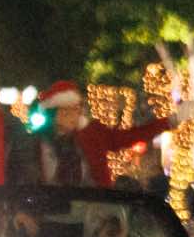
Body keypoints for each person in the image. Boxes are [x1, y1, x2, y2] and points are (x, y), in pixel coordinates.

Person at [33, 80, 171, 187]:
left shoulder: (92, 134)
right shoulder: (37, 142)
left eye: (76, 109)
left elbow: (129, 136)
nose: (73, 114)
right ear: (53, 114)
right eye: (65, 110)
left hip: (93, 207)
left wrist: (166, 122)